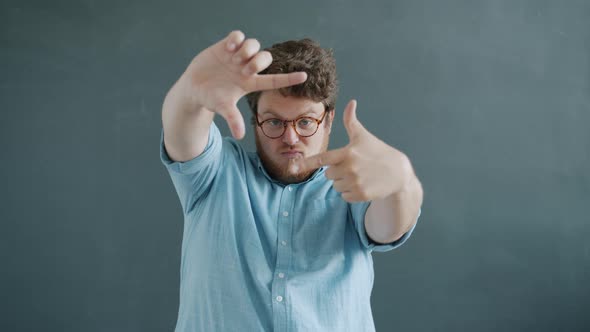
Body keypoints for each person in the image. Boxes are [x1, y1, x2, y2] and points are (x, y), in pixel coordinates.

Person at [159, 30, 423, 332]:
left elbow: (389, 227)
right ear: (254, 120)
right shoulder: (216, 174)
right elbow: (183, 129)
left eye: (306, 122)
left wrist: (403, 184)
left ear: (328, 121)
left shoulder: (352, 183)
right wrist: (190, 96)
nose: (290, 138)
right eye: (274, 121)